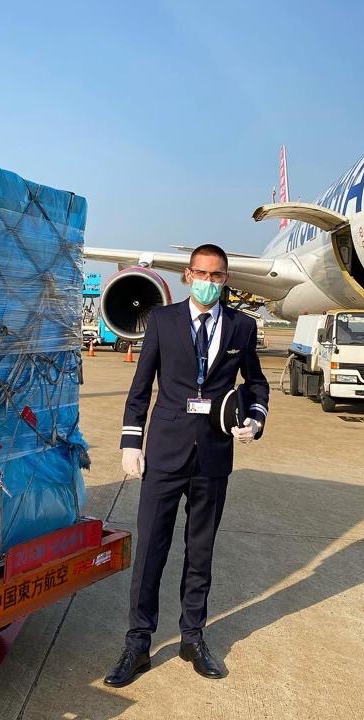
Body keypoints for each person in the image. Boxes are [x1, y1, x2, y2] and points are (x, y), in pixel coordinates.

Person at [104, 243, 270, 687]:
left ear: (226, 279)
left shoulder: (242, 326)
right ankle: (138, 643)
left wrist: (255, 419)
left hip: (213, 455)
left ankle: (192, 638)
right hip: (164, 452)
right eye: (202, 273)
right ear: (187, 276)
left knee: (201, 553)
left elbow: (256, 383)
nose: (208, 282)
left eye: (217, 276)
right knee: (150, 551)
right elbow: (141, 387)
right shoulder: (163, 321)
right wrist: (131, 441)